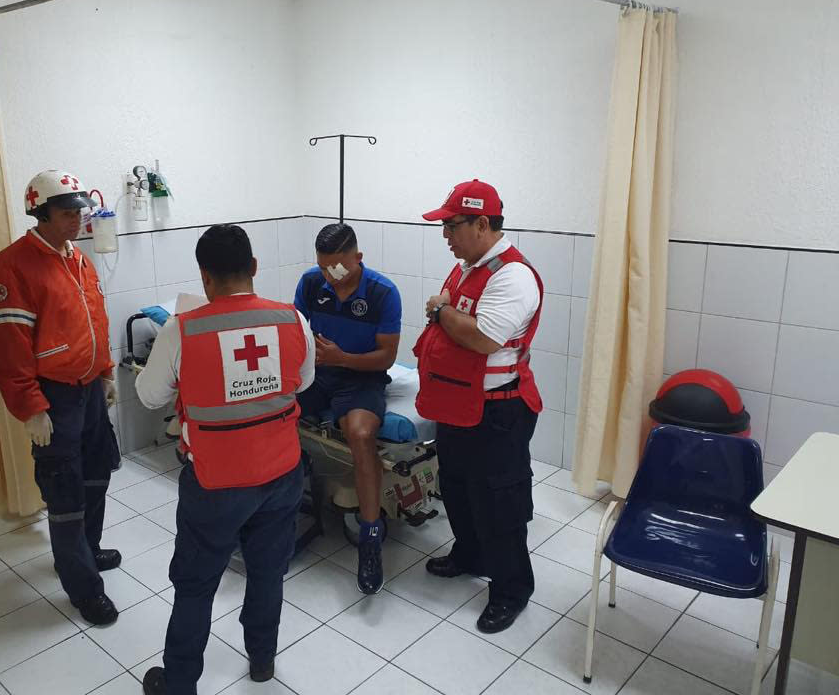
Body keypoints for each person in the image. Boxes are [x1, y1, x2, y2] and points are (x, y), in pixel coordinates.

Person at [135, 224, 314, 695]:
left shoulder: (182, 329)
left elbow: (149, 396)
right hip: (281, 474)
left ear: (204, 277)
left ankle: (178, 684)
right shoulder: (292, 320)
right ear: (254, 268)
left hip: (215, 483)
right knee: (268, 570)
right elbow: (305, 381)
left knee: (195, 584)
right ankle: (262, 660)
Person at [0, 170, 122, 626]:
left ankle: (88, 548)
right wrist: (31, 407)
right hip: (53, 398)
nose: (76, 221)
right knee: (64, 491)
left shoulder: (79, 261)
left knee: (97, 474)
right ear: (39, 213)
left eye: (79, 211)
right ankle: (82, 588)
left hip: (89, 393)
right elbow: (8, 347)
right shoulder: (11, 267)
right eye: (66, 213)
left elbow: (95, 321)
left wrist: (105, 372)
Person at [414, 179, 544, 634]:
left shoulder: (513, 275)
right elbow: (457, 317)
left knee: (499, 504)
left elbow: (483, 336)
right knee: (458, 489)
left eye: (452, 225)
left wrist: (440, 312)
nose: (446, 235)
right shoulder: (469, 266)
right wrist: (446, 312)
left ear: (482, 223)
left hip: (498, 412)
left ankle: (511, 589)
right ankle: (468, 554)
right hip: (458, 405)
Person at [294, 223, 401, 595]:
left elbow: (387, 356)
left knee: (359, 433)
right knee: (274, 411)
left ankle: (370, 538)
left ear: (358, 258)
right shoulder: (310, 284)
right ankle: (282, 505)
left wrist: (344, 358)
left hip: (362, 377)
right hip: (318, 373)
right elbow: (298, 334)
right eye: (324, 268)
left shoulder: (382, 292)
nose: (330, 276)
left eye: (338, 268)